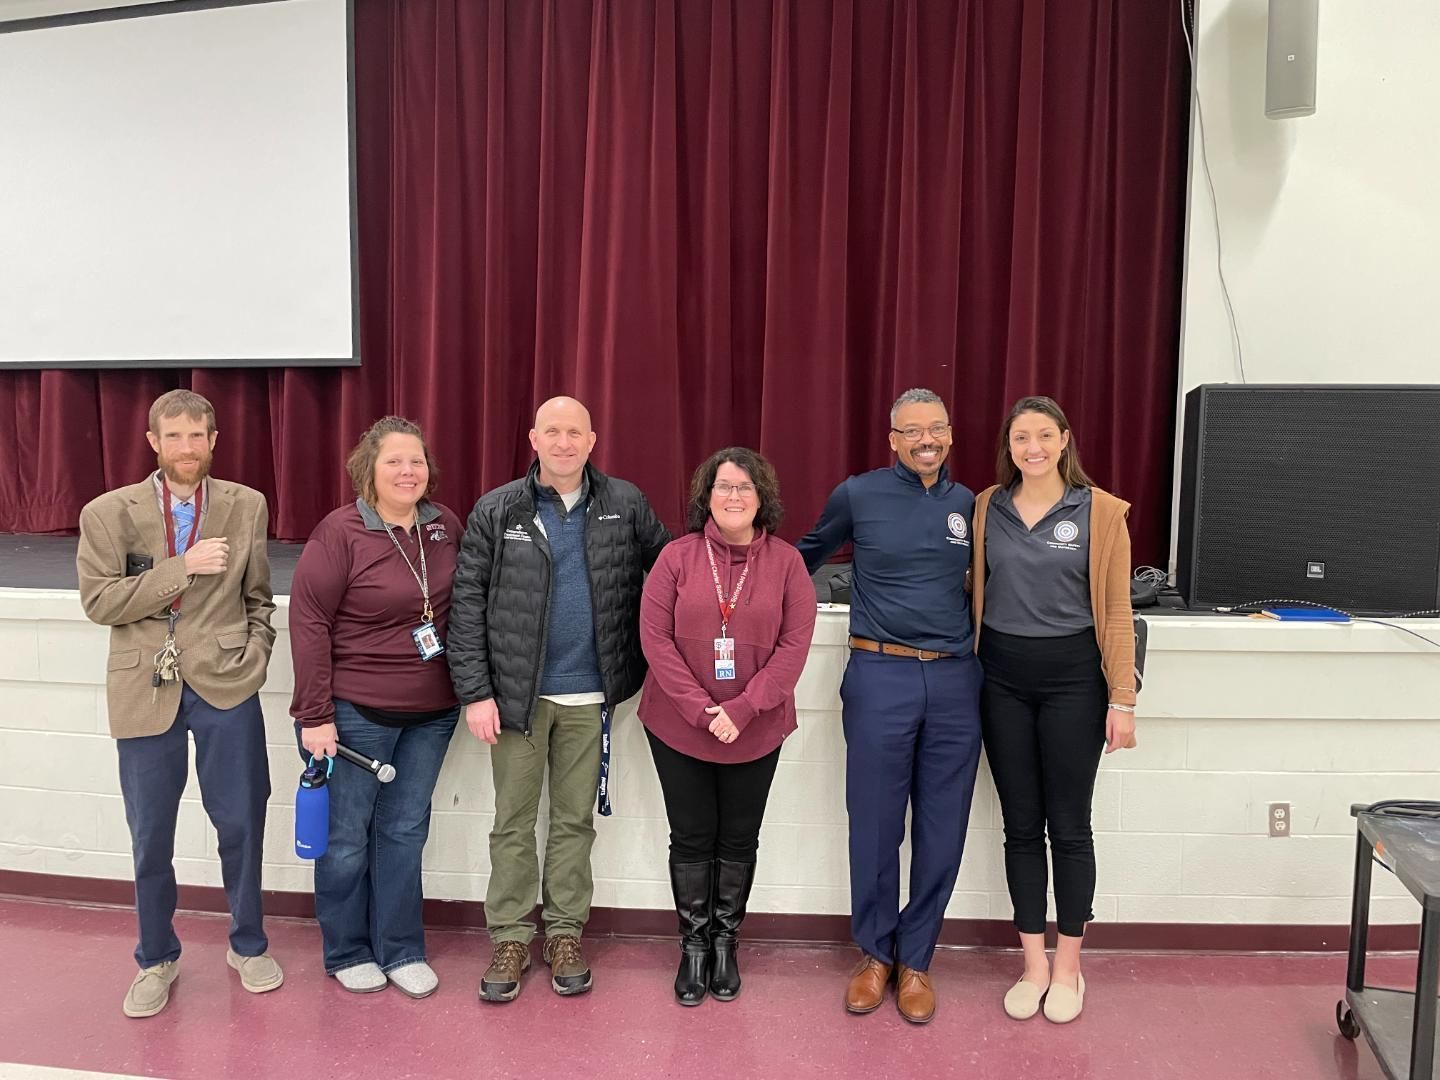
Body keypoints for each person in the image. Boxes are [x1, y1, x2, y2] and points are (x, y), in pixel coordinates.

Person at [448, 396, 670, 1002]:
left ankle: (566, 933)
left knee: (573, 823)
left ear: (593, 441)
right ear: (534, 438)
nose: (565, 442)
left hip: (591, 697)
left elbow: (672, 570)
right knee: (513, 824)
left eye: (575, 432)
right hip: (515, 702)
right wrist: (476, 693)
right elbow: (466, 605)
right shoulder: (499, 509)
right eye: (553, 432)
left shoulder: (625, 504)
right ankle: (512, 938)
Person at [75, 389, 280, 1018]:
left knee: (243, 821)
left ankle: (247, 945)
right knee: (150, 835)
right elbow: (101, 602)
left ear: (213, 441)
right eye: (174, 437)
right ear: (153, 442)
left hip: (225, 683)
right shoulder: (107, 513)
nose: (186, 449)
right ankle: (156, 958)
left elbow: (259, 599)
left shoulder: (247, 505)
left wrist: (256, 655)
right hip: (145, 687)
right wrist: (181, 567)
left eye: (198, 436)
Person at [796, 388, 982, 1025]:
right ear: (893, 439)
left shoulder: (971, 506)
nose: (925, 439)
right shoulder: (858, 494)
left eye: (935, 429)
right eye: (911, 431)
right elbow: (802, 560)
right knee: (874, 822)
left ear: (950, 435)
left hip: (957, 681)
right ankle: (875, 957)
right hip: (879, 673)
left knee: (943, 825)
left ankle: (917, 960)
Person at [971, 395, 1137, 1024]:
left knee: (1068, 827)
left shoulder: (1102, 512)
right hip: (1001, 681)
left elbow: (1119, 612)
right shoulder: (987, 507)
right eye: (1020, 438)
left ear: (1065, 440)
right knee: (1019, 825)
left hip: (1075, 682)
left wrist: (1123, 697)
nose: (1032, 448)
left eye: (1044, 435)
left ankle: (1069, 968)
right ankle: (1033, 965)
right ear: (1008, 446)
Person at [288, 417, 464, 998]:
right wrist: (315, 714)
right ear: (369, 468)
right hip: (354, 714)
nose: (407, 472)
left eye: (416, 461)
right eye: (394, 461)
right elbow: (309, 623)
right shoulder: (339, 533)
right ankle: (346, 949)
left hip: (432, 715)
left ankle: (401, 948)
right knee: (346, 839)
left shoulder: (443, 527)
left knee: (405, 832)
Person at [638, 448, 817, 1005]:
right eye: (723, 487)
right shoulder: (676, 556)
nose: (733, 496)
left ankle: (725, 945)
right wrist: (699, 709)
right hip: (677, 725)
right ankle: (693, 947)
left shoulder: (787, 562)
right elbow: (655, 639)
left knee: (739, 837)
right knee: (691, 837)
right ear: (706, 497)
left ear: (761, 497)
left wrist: (741, 710)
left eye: (744, 487)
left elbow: (794, 647)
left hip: (757, 727)